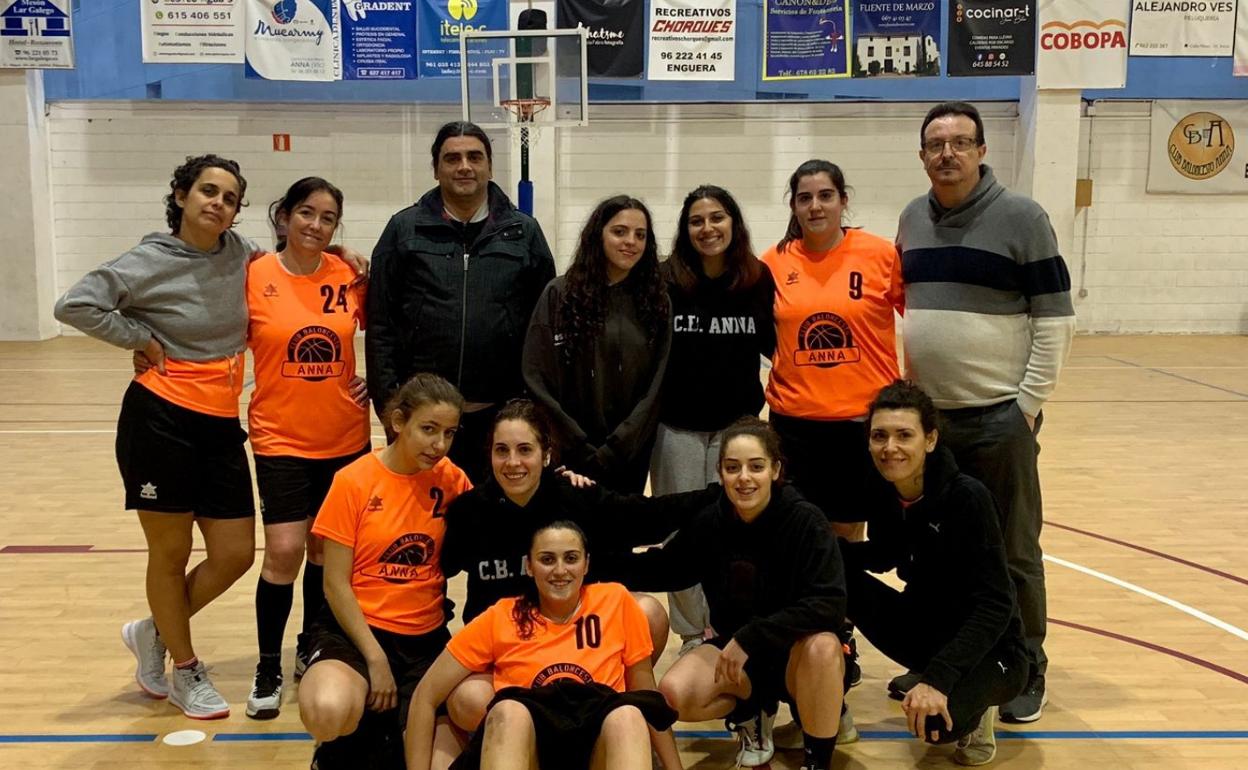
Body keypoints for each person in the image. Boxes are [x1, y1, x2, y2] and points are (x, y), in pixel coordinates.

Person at [54, 155, 259, 720]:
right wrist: (138, 338)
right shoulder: (146, 260)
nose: (218, 204)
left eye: (230, 198)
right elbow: (74, 305)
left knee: (236, 554)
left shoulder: (239, 254)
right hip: (159, 421)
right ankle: (185, 670)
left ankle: (154, 630)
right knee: (171, 554)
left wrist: (341, 253)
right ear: (181, 195)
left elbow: (286, 265)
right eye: (208, 191)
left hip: (220, 422)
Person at [895, 101, 1075, 722]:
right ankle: (943, 659)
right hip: (932, 423)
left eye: (960, 142)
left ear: (981, 150)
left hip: (1000, 417)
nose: (947, 153)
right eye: (936, 144)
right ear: (922, 155)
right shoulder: (911, 217)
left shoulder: (1023, 217)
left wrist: (1027, 405)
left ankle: (1026, 667)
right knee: (937, 551)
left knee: (1012, 549)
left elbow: (1055, 319)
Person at [439, 398, 718, 742]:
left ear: (546, 454)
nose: (512, 462)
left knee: (647, 614)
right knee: (466, 701)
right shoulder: (469, 512)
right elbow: (434, 575)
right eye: (502, 450)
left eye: (525, 449)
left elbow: (648, 517)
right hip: (508, 652)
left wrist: (721, 496)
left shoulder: (574, 498)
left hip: (573, 648)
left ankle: (604, 725)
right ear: (490, 454)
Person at [617, 417, 848, 770]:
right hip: (738, 658)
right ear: (720, 473)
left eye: (756, 466)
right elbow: (664, 567)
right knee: (674, 693)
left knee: (824, 647)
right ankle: (751, 713)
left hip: (796, 654)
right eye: (732, 467)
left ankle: (817, 758)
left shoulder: (806, 521)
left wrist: (751, 637)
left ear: (775, 470)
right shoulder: (712, 521)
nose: (744, 477)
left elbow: (829, 604)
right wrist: (584, 564)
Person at [841, 380, 1028, 766]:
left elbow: (996, 605)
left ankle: (978, 707)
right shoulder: (883, 486)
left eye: (904, 435)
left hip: (994, 648)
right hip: (927, 631)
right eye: (879, 436)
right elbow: (885, 554)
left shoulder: (967, 497)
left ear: (930, 439)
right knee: (832, 574)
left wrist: (938, 678)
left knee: (935, 726)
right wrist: (825, 551)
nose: (890, 447)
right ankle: (828, 700)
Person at [242, 177, 371, 720]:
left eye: (327, 217)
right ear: (284, 216)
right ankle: (267, 665)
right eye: (306, 213)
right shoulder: (253, 275)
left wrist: (379, 382)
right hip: (280, 437)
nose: (316, 225)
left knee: (325, 553)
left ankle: (311, 645)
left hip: (345, 437)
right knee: (284, 551)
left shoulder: (348, 275)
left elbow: (389, 332)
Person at [297, 373, 472, 769]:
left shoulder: (452, 480)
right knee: (327, 708)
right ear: (398, 422)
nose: (439, 444)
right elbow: (334, 584)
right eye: (428, 429)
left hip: (425, 638)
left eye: (449, 433)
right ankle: (334, 750)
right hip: (356, 632)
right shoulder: (353, 481)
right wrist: (375, 659)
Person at [367, 120, 556, 484]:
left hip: (500, 418)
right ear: (436, 169)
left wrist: (533, 407)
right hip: (424, 421)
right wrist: (392, 409)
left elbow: (544, 327)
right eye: (452, 158)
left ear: (490, 167)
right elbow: (380, 326)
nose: (464, 166)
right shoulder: (404, 230)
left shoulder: (524, 232)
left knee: (494, 515)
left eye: (474, 157)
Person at [406, 521, 680, 770]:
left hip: (595, 751)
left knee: (629, 714)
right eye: (547, 559)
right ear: (529, 566)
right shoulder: (502, 616)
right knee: (508, 711)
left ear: (586, 564)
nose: (560, 570)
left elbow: (647, 695)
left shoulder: (616, 601)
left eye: (571, 558)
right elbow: (425, 695)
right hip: (530, 754)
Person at [653, 184, 776, 655]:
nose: (707, 228)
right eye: (697, 221)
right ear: (685, 230)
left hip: (736, 429)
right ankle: (691, 633)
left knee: (734, 528)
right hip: (676, 427)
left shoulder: (757, 278)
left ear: (733, 223)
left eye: (717, 217)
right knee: (681, 532)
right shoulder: (665, 279)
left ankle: (729, 625)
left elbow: (776, 347)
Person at [762, 159, 904, 540]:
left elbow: (922, 321)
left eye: (825, 196)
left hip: (859, 422)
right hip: (793, 424)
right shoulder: (772, 263)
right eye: (804, 198)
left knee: (845, 534)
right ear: (793, 206)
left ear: (843, 200)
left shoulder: (881, 255)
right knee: (794, 532)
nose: (815, 206)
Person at [522, 195, 672, 493]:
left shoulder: (656, 301)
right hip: (569, 455)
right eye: (619, 231)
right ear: (598, 235)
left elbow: (657, 385)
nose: (630, 242)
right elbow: (536, 376)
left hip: (628, 455)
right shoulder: (558, 295)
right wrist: (574, 443)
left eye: (640, 235)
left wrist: (619, 445)